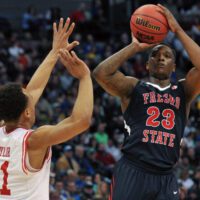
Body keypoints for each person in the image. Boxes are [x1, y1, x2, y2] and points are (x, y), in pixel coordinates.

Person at [93, 4, 200, 200]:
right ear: (147, 64)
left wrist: (177, 30)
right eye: (155, 55)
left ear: (174, 67)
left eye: (167, 56)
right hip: (133, 169)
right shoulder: (134, 87)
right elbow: (101, 73)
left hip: (165, 175)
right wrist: (134, 46)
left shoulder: (183, 91)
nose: (161, 58)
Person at [0, 18, 93, 200]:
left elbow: (32, 91)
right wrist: (84, 77)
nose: (33, 99)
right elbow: (80, 121)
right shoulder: (33, 141)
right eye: (31, 103)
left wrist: (55, 52)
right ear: (27, 112)